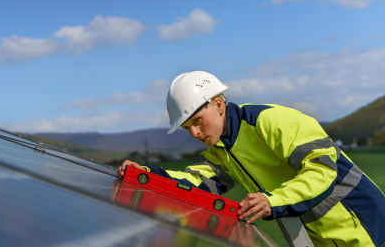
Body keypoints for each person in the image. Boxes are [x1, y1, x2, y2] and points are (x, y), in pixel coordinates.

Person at [116, 71, 385, 246]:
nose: (196, 133)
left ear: (219, 104)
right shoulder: (222, 149)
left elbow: (322, 169)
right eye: (188, 128)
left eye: (197, 121)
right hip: (322, 233)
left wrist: (272, 200)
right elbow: (197, 181)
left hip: (364, 222)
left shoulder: (269, 120)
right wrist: (148, 175)